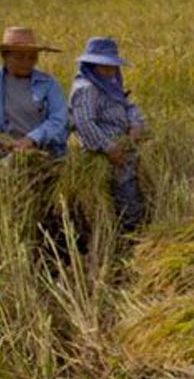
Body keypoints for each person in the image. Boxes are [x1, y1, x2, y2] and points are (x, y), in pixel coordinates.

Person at [69, 37, 147, 231]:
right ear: (91, 65)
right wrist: (109, 148)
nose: (109, 70)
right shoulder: (85, 89)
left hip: (122, 144)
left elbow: (128, 105)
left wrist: (135, 124)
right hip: (102, 151)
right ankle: (129, 232)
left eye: (111, 66)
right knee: (126, 191)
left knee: (137, 185)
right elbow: (84, 122)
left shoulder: (111, 84)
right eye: (103, 66)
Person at [0, 26, 68, 158]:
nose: (27, 63)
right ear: (5, 56)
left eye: (32, 57)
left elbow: (59, 119)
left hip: (43, 154)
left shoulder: (48, 84)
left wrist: (32, 139)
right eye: (20, 57)